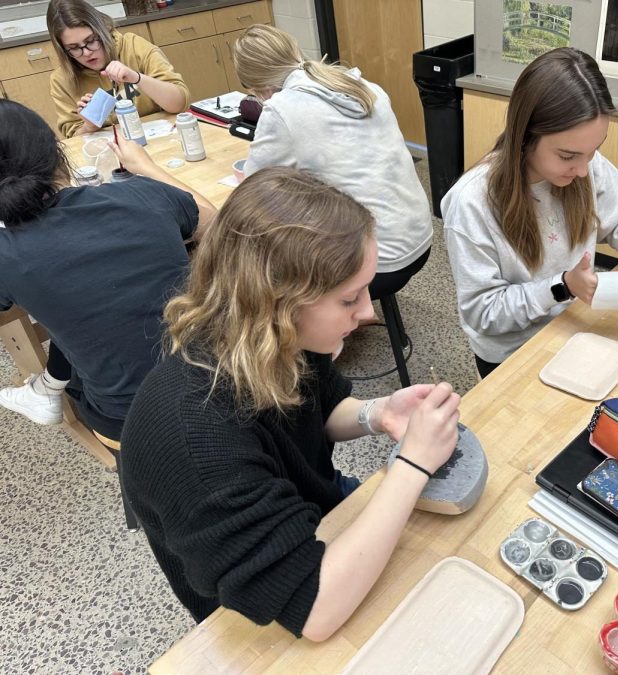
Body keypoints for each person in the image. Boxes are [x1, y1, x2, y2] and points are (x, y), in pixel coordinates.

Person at [120, 167, 461, 641]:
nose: (368, 313)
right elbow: (312, 608)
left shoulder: (279, 339)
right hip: (259, 609)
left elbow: (321, 414)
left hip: (310, 522)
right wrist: (413, 463)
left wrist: (376, 412)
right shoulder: (192, 438)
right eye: (349, 299)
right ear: (277, 301)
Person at [441, 48, 618, 378]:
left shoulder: (586, 166)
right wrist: (562, 286)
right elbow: (483, 312)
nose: (582, 170)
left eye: (594, 150)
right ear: (525, 137)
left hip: (576, 325)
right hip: (513, 353)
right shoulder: (472, 202)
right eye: (567, 156)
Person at [0, 99, 215, 439]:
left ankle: (46, 389)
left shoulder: (8, 254)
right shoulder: (143, 195)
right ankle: (45, 389)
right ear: (57, 153)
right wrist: (147, 167)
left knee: (68, 302)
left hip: (129, 418)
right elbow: (215, 224)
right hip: (219, 380)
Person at [233, 24, 432, 300]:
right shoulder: (361, 85)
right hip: (420, 240)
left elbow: (252, 191)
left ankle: (309, 338)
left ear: (259, 87)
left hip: (378, 265)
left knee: (263, 252)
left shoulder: (282, 110)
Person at [47, 0, 189, 137]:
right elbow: (74, 140)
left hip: (160, 137)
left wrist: (137, 78)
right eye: (74, 48)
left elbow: (179, 104)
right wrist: (89, 127)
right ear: (63, 50)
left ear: (102, 30)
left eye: (90, 41)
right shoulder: (61, 80)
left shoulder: (134, 46)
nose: (87, 52)